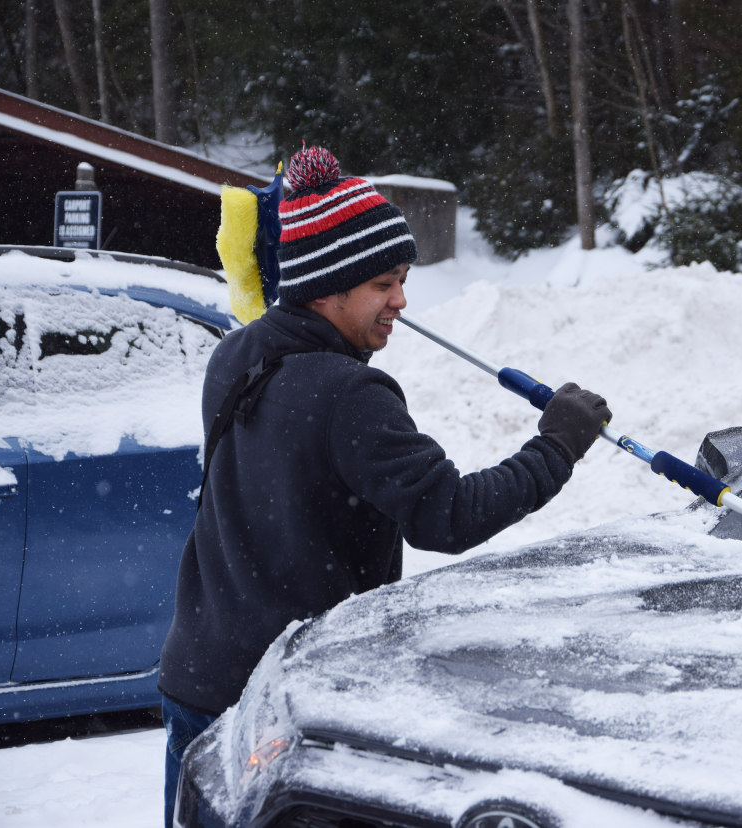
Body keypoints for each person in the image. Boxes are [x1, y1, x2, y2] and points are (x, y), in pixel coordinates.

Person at [158, 145, 611, 825]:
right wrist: (558, 445)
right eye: (383, 284)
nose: (401, 301)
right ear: (327, 285)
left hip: (196, 679)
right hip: (281, 707)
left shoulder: (237, 354)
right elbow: (449, 516)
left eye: (401, 280)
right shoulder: (348, 393)